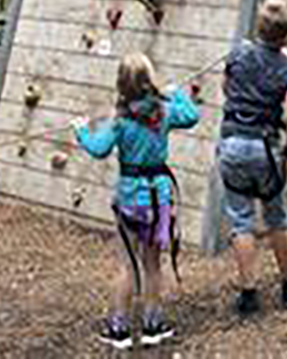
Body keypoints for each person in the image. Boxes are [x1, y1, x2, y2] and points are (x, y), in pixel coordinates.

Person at [73, 53, 199, 349]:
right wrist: (176, 93)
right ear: (149, 81)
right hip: (159, 198)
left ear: (121, 85)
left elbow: (99, 148)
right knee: (153, 264)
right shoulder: (164, 111)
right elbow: (191, 115)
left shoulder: (121, 121)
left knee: (128, 265)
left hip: (131, 199)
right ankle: (153, 324)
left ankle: (119, 329)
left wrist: (81, 131)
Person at [216, 0, 287, 316]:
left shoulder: (238, 54)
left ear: (260, 27)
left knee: (241, 221)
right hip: (265, 149)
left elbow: (225, 87)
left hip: (232, 144)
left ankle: (249, 295)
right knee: (276, 217)